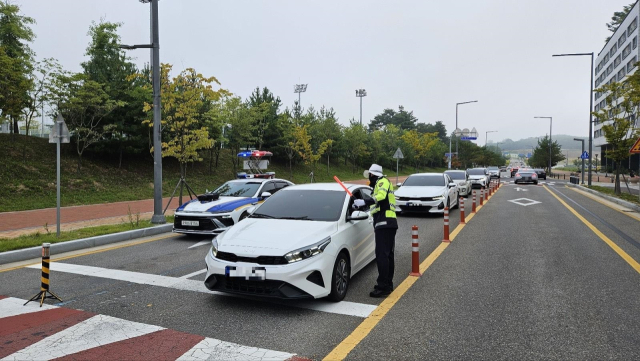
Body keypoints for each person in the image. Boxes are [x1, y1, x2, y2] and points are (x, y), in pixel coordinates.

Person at [353, 164, 398, 297]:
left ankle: (382, 286)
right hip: (388, 222)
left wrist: (365, 201)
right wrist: (360, 206)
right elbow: (376, 205)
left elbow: (381, 197)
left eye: (370, 176)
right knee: (388, 255)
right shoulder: (379, 185)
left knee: (382, 256)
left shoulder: (382, 182)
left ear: (373, 175)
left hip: (384, 222)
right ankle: (388, 284)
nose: (369, 178)